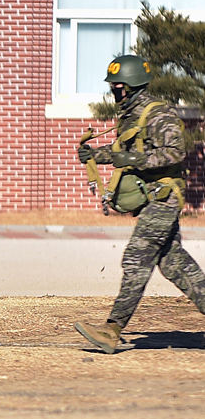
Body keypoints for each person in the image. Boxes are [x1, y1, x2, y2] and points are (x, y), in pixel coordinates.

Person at [75, 54, 205, 353]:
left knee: (136, 259)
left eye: (117, 88)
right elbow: (125, 151)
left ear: (131, 86)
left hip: (163, 197)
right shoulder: (133, 114)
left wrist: (133, 159)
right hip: (154, 200)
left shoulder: (157, 113)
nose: (114, 93)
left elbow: (174, 153)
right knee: (175, 265)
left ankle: (111, 330)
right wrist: (96, 155)